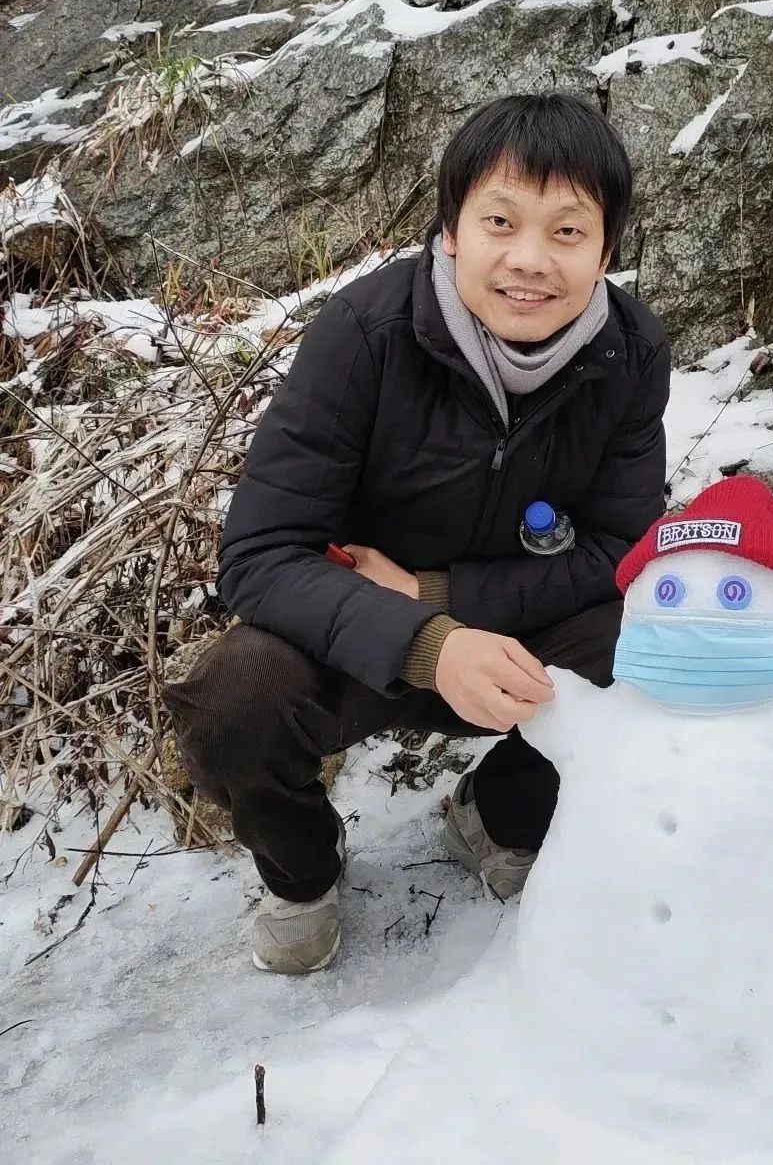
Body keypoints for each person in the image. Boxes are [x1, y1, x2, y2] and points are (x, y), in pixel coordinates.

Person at [166, 92, 671, 974]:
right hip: (350, 640)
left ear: (605, 250)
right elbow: (259, 555)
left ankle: (500, 817)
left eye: (567, 231)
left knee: (652, 641)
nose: (529, 260)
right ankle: (304, 873)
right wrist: (426, 644)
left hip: (515, 629)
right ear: (451, 229)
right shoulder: (366, 333)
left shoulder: (625, 353)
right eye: (500, 222)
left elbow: (618, 551)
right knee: (234, 700)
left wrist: (440, 597)